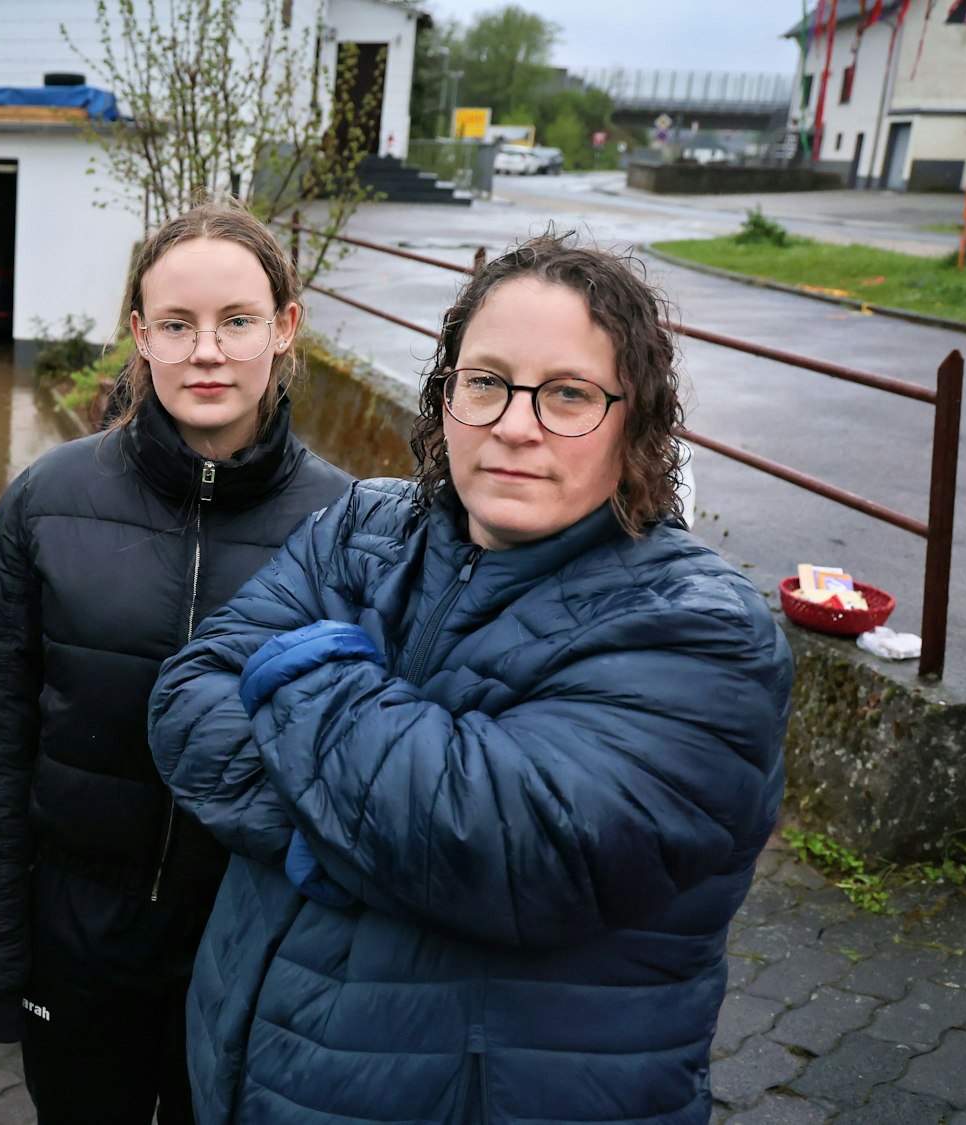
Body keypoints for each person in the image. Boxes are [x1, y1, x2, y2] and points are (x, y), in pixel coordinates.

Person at [149, 233, 792, 1125]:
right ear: (446, 397)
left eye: (568, 393)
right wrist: (338, 832)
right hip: (252, 1073)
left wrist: (307, 672)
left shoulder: (700, 629)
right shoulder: (367, 525)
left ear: (635, 418)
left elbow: (502, 839)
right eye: (485, 381)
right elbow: (189, 700)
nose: (515, 423)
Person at [0, 202, 352, 1124]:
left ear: (285, 329)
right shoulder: (47, 502)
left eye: (237, 321)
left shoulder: (348, 528)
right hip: (78, 937)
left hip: (250, 938)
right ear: (140, 335)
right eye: (177, 324)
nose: (207, 351)